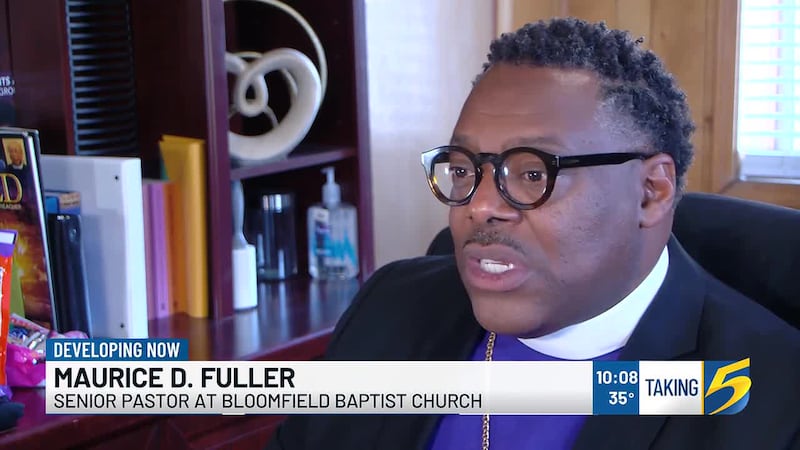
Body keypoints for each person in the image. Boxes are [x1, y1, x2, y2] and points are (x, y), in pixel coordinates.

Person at [267, 18, 800, 450]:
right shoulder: (390, 305)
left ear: (650, 192)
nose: (479, 205)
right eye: (464, 169)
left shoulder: (773, 400)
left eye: (532, 173)